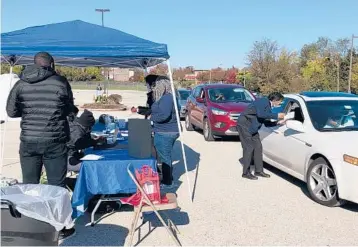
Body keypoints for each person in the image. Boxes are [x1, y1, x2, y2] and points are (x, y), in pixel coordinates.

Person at [6, 52, 76, 239]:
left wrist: (29, 111)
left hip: (29, 140)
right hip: (55, 141)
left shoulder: (21, 83)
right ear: (51, 64)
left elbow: (11, 112)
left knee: (29, 187)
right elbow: (70, 109)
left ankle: (32, 227)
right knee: (56, 187)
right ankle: (60, 228)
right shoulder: (60, 82)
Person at [237, 92, 285, 180]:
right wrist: (277, 116)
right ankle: (246, 172)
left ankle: (258, 171)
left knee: (258, 147)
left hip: (253, 127)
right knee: (249, 147)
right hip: (245, 125)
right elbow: (261, 114)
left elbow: (265, 121)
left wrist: (276, 123)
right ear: (274, 100)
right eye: (280, 102)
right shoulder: (263, 102)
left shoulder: (268, 106)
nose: (280, 104)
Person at [150, 76, 180, 188]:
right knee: (165, 155)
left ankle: (167, 182)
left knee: (165, 157)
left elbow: (164, 115)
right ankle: (168, 178)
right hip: (168, 130)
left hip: (165, 131)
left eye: (157, 85)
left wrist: (151, 117)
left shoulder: (167, 98)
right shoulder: (171, 97)